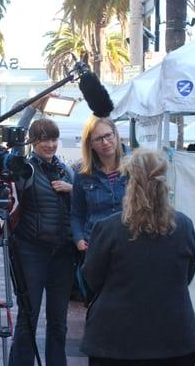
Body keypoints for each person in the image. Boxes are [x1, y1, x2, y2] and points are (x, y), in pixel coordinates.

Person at [81, 149, 195, 366]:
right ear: (164, 183)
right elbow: (186, 276)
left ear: (130, 184)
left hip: (115, 340)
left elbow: (92, 278)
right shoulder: (184, 226)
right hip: (174, 339)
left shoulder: (108, 228)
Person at [8, 101, 75, 366]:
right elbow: (14, 149)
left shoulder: (65, 170)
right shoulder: (26, 168)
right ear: (33, 142)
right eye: (43, 139)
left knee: (59, 323)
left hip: (62, 254)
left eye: (53, 139)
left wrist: (73, 189)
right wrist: (30, 111)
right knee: (28, 318)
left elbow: (78, 207)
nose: (49, 144)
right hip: (31, 252)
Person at [71, 116, 127, 302]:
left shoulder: (136, 165)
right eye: (98, 139)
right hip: (95, 247)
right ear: (90, 144)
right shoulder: (82, 173)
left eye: (108, 135)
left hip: (129, 245)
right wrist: (79, 239)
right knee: (98, 304)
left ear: (116, 135)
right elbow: (77, 212)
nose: (105, 142)